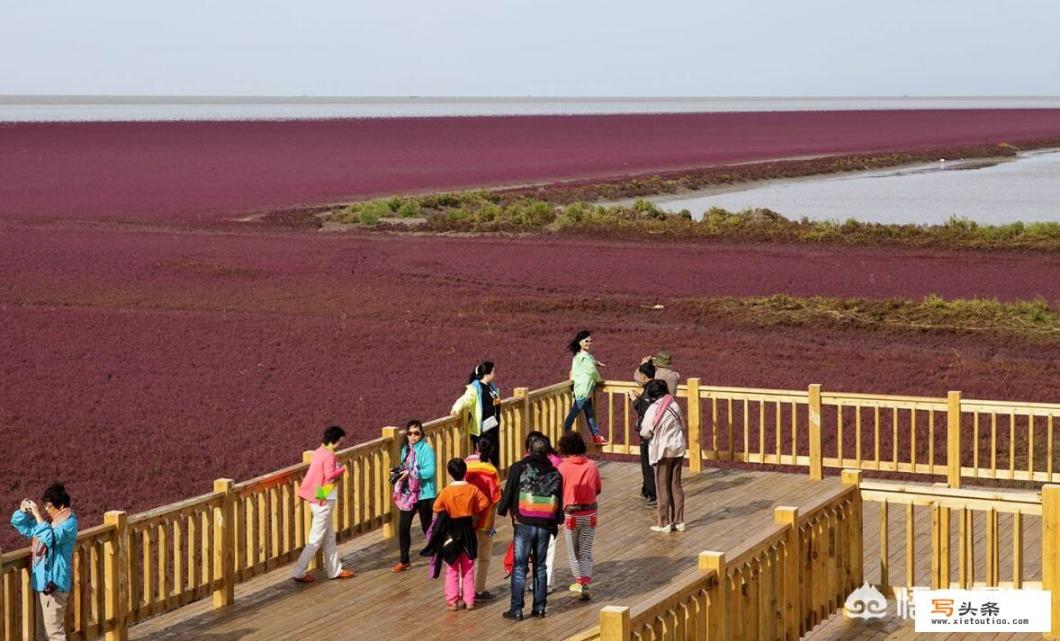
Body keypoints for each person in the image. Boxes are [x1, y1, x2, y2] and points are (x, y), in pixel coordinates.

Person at [497, 436, 564, 622]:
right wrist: (557, 520)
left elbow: (509, 492)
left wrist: (502, 509)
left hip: (524, 523)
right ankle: (540, 608)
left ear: (529, 450)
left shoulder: (519, 467)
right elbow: (559, 501)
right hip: (545, 524)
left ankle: (516, 610)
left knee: (519, 566)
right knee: (540, 567)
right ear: (546, 453)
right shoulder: (556, 473)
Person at [10, 483, 79, 641]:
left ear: (60, 505)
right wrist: (22, 511)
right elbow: (21, 525)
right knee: (41, 635)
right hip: (42, 584)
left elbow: (50, 538)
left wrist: (36, 514)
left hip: (54, 585)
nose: (46, 509)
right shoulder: (50, 524)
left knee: (54, 634)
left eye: (48, 506)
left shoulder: (69, 523)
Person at [422, 458, 490, 611]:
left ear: (450, 473)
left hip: (451, 532)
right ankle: (470, 600)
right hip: (467, 529)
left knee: (452, 568)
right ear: (465, 472)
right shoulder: (472, 489)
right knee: (468, 567)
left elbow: (437, 507)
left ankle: (452, 601)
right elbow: (484, 503)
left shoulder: (446, 491)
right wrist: (474, 512)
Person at [293, 426, 356, 582]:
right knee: (316, 539)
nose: (341, 445)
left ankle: (335, 570)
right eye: (340, 442)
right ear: (334, 440)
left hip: (317, 498)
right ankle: (299, 572)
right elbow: (329, 476)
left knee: (329, 538)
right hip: (324, 501)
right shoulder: (329, 455)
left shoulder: (319, 451)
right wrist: (341, 470)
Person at [557, 432, 602, 600]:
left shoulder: (562, 468)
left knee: (572, 551)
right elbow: (597, 489)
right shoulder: (592, 465)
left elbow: (558, 492)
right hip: (590, 513)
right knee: (585, 550)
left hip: (570, 515)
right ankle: (586, 581)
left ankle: (579, 581)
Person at [640, 380, 688, 533]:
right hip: (677, 448)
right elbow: (683, 425)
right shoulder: (674, 405)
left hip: (662, 450)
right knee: (676, 484)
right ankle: (679, 520)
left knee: (662, 487)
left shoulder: (653, 409)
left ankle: (664, 522)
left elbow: (645, 431)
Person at [392, 420, 437, 572]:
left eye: (416, 433)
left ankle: (435, 553)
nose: (413, 436)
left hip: (424, 494)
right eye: (410, 433)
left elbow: (430, 471)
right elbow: (406, 468)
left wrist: (412, 474)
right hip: (408, 495)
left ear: (422, 434)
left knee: (427, 527)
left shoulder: (427, 450)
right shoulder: (406, 449)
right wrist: (399, 472)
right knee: (403, 527)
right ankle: (404, 560)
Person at [464, 438, 502, 601]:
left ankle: (463, 589)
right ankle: (479, 590)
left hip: (465, 516)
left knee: (466, 556)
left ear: (475, 448)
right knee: (484, 555)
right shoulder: (491, 470)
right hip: (484, 518)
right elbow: (495, 498)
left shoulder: (466, 463)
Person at [452, 361, 501, 467]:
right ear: (487, 374)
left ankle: (494, 476)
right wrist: (455, 409)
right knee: (482, 458)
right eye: (493, 371)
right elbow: (465, 399)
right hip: (482, 430)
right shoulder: (475, 388)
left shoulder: (492, 387)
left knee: (494, 456)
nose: (494, 374)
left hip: (493, 428)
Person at [563, 330, 608, 446]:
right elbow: (592, 370)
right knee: (574, 413)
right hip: (583, 391)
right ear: (580, 342)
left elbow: (590, 361)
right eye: (586, 341)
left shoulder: (580, 355)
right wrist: (600, 381)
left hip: (584, 391)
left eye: (590, 341)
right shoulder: (583, 356)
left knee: (590, 414)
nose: (589, 343)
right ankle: (565, 432)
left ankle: (596, 436)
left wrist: (597, 363)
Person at [628, 361, 658, 508]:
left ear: (645, 377)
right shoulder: (658, 387)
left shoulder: (648, 392)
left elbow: (644, 410)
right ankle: (647, 490)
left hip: (647, 433)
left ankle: (652, 495)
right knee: (654, 463)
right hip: (658, 432)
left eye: (640, 375)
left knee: (647, 464)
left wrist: (634, 400)